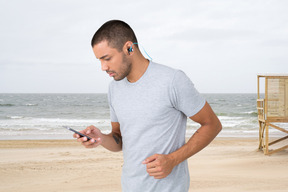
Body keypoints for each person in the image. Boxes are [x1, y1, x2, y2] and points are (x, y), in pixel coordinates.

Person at [74, 20, 222, 192]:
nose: (103, 67)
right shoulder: (114, 88)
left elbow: (212, 125)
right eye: (99, 60)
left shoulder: (172, 80)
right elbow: (119, 139)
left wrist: (173, 160)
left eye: (107, 58)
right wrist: (100, 138)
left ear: (129, 48)